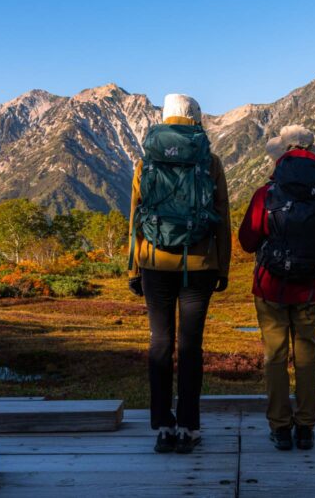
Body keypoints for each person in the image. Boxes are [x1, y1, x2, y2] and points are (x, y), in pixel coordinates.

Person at [127, 93, 231, 454]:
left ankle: (163, 426)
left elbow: (135, 217)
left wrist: (133, 265)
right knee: (190, 345)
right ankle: (188, 426)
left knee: (159, 342)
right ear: (196, 118)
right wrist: (222, 265)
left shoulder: (147, 161)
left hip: (154, 263)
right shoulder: (210, 161)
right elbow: (223, 215)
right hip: (200, 265)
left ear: (165, 118)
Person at [237, 125, 315, 451]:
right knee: (307, 355)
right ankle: (306, 427)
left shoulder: (266, 194)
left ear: (280, 153)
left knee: (276, 357)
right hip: (310, 288)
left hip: (272, 288)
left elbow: (246, 240)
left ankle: (281, 428)